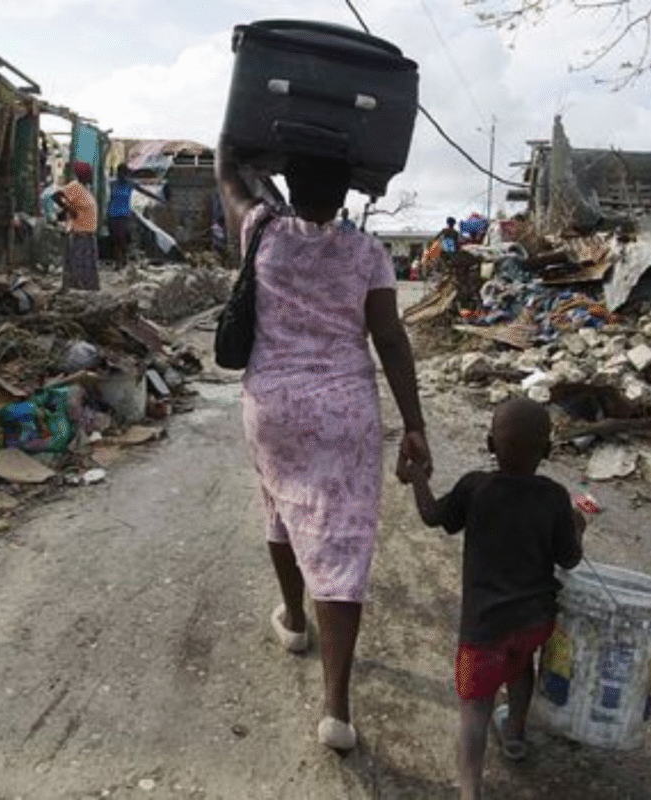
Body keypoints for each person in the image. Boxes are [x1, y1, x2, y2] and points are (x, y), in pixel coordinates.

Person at [216, 135, 431, 752]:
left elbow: (230, 178)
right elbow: (389, 338)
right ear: (345, 195)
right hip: (344, 412)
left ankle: (292, 620)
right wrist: (413, 423)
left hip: (273, 408)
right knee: (341, 549)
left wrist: (235, 135)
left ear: (288, 182)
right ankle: (335, 709)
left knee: (281, 505)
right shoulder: (368, 253)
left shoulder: (262, 231)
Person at [402, 398, 584, 800]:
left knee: (475, 705)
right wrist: (578, 528)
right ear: (548, 451)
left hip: (485, 629)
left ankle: (470, 790)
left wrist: (418, 477)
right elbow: (569, 558)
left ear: (489, 443)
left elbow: (433, 516)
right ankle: (516, 734)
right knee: (520, 667)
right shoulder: (554, 496)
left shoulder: (474, 488)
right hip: (536, 621)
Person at [53, 161, 99, 290]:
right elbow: (56, 196)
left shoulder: (85, 189)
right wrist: (69, 210)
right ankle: (78, 290)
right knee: (79, 268)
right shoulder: (75, 187)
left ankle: (86, 290)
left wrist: (71, 209)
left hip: (88, 235)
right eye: (89, 173)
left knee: (87, 269)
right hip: (80, 235)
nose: (91, 176)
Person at [106, 163, 163, 269]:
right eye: (120, 174)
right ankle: (118, 262)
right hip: (113, 214)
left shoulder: (130, 184)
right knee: (115, 240)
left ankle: (124, 260)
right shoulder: (112, 184)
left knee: (123, 239)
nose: (122, 176)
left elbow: (145, 192)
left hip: (125, 215)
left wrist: (158, 198)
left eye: (124, 174)